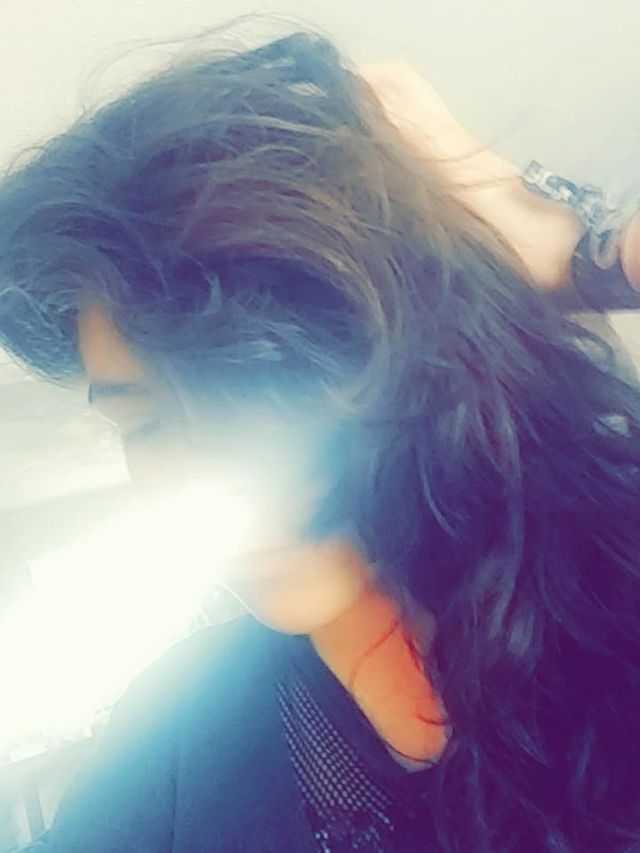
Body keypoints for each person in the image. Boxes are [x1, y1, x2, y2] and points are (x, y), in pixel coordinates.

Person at [1, 19, 639, 853]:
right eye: (145, 422)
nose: (201, 481)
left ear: (430, 361)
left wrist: (589, 254)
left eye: (255, 394)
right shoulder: (178, 730)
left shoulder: (616, 616)